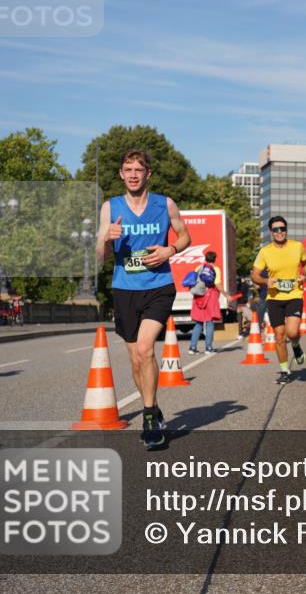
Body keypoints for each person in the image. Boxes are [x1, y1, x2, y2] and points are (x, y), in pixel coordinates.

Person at [96, 149, 191, 448]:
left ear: (148, 173)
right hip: (125, 289)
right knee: (136, 360)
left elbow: (185, 235)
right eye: (128, 169)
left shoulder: (165, 204)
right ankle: (154, 406)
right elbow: (100, 257)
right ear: (121, 174)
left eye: (139, 169)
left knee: (147, 349)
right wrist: (105, 239)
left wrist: (170, 251)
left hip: (159, 286)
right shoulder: (110, 208)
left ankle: (149, 415)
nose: (133, 174)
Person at [251, 216, 306, 384]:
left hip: (294, 295)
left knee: (292, 332)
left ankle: (296, 346)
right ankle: (285, 370)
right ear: (271, 232)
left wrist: (304, 275)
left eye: (282, 229)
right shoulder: (265, 251)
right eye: (276, 229)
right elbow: (254, 274)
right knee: (279, 336)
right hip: (274, 297)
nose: (279, 232)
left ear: (286, 230)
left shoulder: (297, 246)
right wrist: (264, 281)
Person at [188, 251, 229, 354]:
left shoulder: (198, 268)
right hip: (210, 296)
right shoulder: (215, 269)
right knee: (209, 322)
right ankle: (208, 348)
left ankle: (192, 348)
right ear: (215, 259)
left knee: (198, 322)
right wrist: (226, 294)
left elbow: (193, 281)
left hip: (198, 296)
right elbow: (217, 283)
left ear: (205, 258)